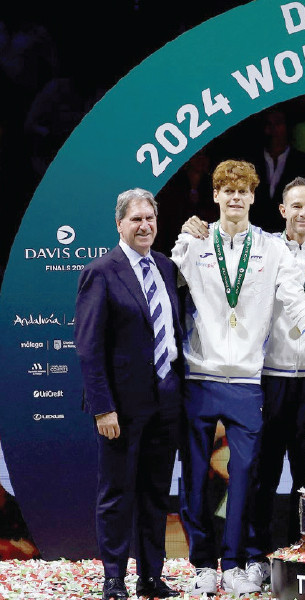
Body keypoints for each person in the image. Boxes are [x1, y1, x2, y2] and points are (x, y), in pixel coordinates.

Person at [171, 160, 305, 597]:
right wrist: (184, 231)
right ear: (215, 196)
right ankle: (201, 564)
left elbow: (297, 305)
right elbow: (162, 285)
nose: (235, 198)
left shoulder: (271, 250)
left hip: (249, 380)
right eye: (227, 191)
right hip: (199, 375)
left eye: (243, 191)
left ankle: (234, 563)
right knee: (195, 477)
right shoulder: (193, 242)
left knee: (247, 475)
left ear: (254, 198)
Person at [75, 188, 184, 600]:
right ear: (119, 224)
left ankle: (151, 577)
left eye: (150, 218)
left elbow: (174, 332)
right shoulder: (101, 272)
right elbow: (89, 347)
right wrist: (103, 408)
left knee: (156, 493)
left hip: (166, 401)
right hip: (120, 409)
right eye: (136, 219)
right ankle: (114, 579)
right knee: (117, 494)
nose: (144, 226)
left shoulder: (167, 267)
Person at [247, 107, 305, 234]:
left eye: (278, 123)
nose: (273, 130)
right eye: (268, 124)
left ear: (287, 128)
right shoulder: (249, 163)